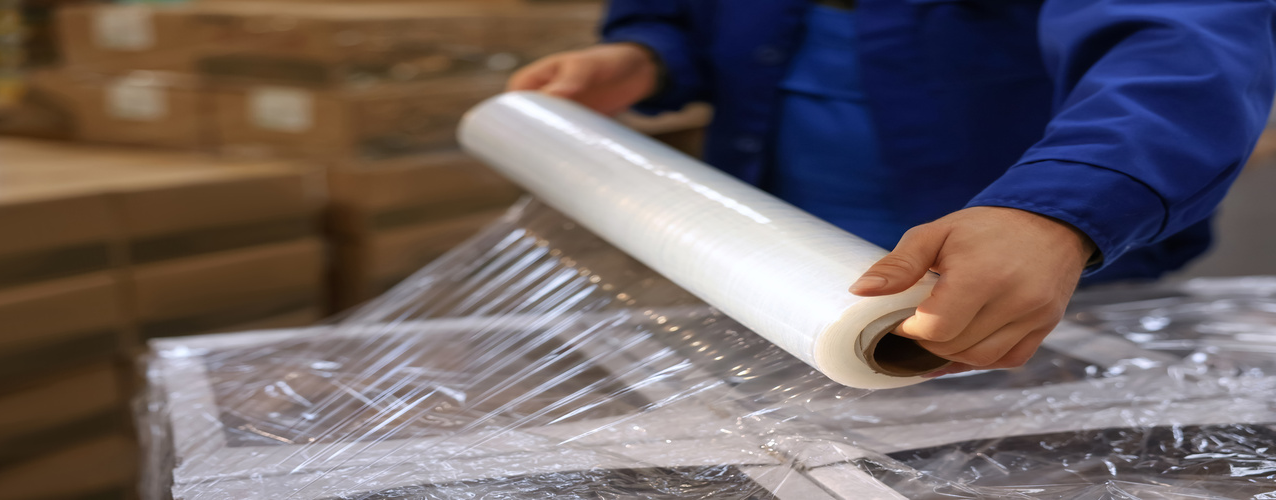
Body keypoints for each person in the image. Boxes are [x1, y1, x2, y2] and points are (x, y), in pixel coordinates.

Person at [508, 0, 1276, 376]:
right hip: (772, 238)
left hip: (1029, 248)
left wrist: (1063, 208)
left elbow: (1184, 38)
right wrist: (648, 52)